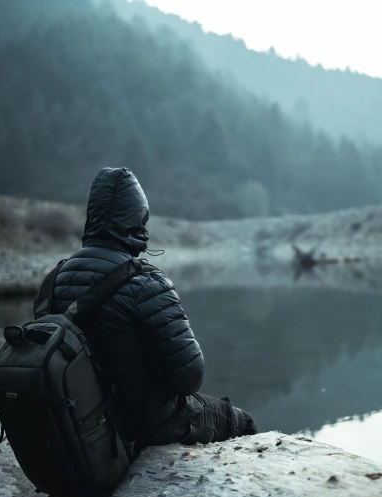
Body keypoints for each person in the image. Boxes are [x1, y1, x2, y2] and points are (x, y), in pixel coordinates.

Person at [34, 167, 257, 451]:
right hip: (145, 424)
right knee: (242, 421)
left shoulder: (52, 281)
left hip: (80, 422)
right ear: (137, 219)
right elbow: (190, 379)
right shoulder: (146, 282)